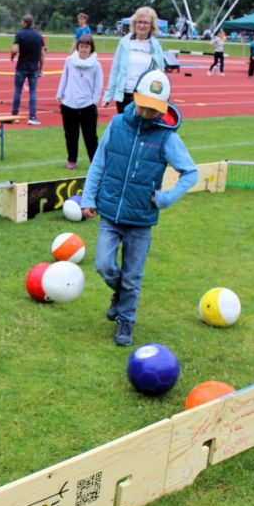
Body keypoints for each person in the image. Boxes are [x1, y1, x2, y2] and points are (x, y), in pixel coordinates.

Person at [80, 70, 198, 347]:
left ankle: (125, 322)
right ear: (135, 98)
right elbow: (99, 163)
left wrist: (166, 198)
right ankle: (120, 296)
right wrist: (88, 198)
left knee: (132, 277)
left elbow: (190, 173)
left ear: (164, 108)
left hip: (141, 219)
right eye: (144, 105)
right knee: (103, 265)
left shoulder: (167, 137)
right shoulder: (118, 124)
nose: (147, 113)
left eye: (154, 109)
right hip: (110, 213)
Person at [102, 6, 165, 112]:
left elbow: (160, 75)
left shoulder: (156, 46)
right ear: (134, 23)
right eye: (139, 22)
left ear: (151, 26)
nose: (142, 25)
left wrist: (160, 98)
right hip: (125, 96)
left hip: (145, 96)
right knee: (125, 127)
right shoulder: (124, 43)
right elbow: (115, 70)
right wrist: (108, 96)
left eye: (146, 23)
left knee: (142, 128)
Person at [56, 33, 103, 170]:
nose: (83, 49)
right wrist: (60, 94)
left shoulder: (96, 65)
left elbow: (98, 84)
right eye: (81, 46)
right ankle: (72, 160)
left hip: (87, 106)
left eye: (87, 47)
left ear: (91, 48)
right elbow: (64, 77)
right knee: (71, 135)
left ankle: (94, 162)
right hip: (69, 104)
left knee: (90, 136)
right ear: (78, 47)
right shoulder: (70, 61)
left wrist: (94, 101)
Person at [10, 14, 44, 125]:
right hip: (34, 68)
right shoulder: (39, 36)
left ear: (24, 23)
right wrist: (41, 69)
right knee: (33, 91)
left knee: (17, 90)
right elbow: (42, 54)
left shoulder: (20, 34)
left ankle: (15, 116)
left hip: (21, 67)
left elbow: (15, 49)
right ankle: (32, 117)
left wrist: (12, 56)